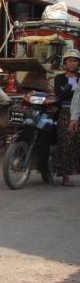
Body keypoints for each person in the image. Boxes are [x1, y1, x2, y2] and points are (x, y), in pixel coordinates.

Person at [54, 49, 80, 186]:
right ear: (65, 63)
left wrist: (69, 91)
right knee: (65, 143)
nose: (72, 64)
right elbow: (60, 95)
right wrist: (76, 93)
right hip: (65, 113)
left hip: (79, 113)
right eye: (70, 61)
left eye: (75, 61)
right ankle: (65, 176)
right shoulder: (59, 78)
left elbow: (66, 93)